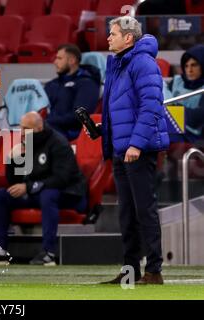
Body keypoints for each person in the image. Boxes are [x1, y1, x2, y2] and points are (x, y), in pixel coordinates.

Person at [99, 17, 169, 285]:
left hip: (137, 148)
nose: (108, 38)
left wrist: (136, 144)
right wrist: (102, 129)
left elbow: (151, 106)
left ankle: (154, 270)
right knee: (127, 213)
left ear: (128, 38)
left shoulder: (142, 63)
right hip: (122, 147)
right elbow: (121, 108)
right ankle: (130, 272)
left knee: (144, 210)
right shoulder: (118, 63)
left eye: (113, 33)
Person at [0, 112, 87, 266]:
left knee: (48, 195)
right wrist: (12, 161)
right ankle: (0, 251)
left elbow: (61, 179)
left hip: (68, 193)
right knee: (2, 195)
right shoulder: (25, 144)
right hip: (37, 192)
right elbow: (14, 181)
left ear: (39, 128)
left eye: (26, 128)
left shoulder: (58, 143)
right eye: (21, 128)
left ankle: (49, 253)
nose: (21, 132)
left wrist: (27, 187)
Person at [44, 44, 101, 141]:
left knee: (34, 135)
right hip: (51, 129)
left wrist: (47, 122)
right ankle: (23, 155)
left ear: (72, 60)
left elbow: (80, 117)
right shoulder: (52, 84)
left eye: (59, 58)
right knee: (27, 132)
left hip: (71, 133)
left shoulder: (87, 83)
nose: (55, 62)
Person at [164, 44, 204, 143]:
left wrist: (172, 107)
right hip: (168, 130)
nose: (189, 70)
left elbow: (194, 119)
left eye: (194, 65)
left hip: (192, 138)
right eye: (186, 66)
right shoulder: (177, 81)